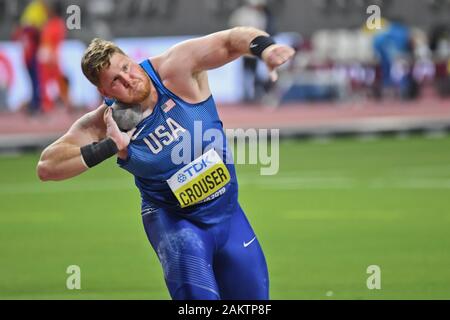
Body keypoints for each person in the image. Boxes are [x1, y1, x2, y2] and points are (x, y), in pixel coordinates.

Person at [36, 27, 294, 299]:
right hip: (177, 225)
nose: (129, 79)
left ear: (132, 59)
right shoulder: (106, 122)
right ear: (104, 91)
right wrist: (109, 146)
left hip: (228, 215)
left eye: (127, 67)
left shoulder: (175, 70)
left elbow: (230, 41)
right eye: (116, 81)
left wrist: (265, 48)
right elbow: (47, 167)